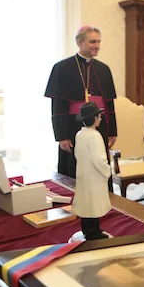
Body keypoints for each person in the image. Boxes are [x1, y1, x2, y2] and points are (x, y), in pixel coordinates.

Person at [44, 26, 117, 191]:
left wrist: (113, 131)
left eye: (98, 41)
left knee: (99, 162)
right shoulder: (62, 68)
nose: (96, 45)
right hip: (72, 126)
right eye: (92, 41)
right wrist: (61, 136)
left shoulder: (104, 69)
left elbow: (109, 103)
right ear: (79, 42)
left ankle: (104, 200)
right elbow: (58, 105)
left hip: (101, 125)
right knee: (75, 166)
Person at [72, 102, 112, 240]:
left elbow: (76, 153)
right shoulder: (95, 136)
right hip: (94, 175)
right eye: (99, 116)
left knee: (86, 203)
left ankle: (86, 229)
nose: (100, 119)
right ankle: (93, 233)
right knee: (94, 204)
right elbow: (99, 159)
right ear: (94, 118)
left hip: (83, 173)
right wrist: (107, 170)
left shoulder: (79, 134)